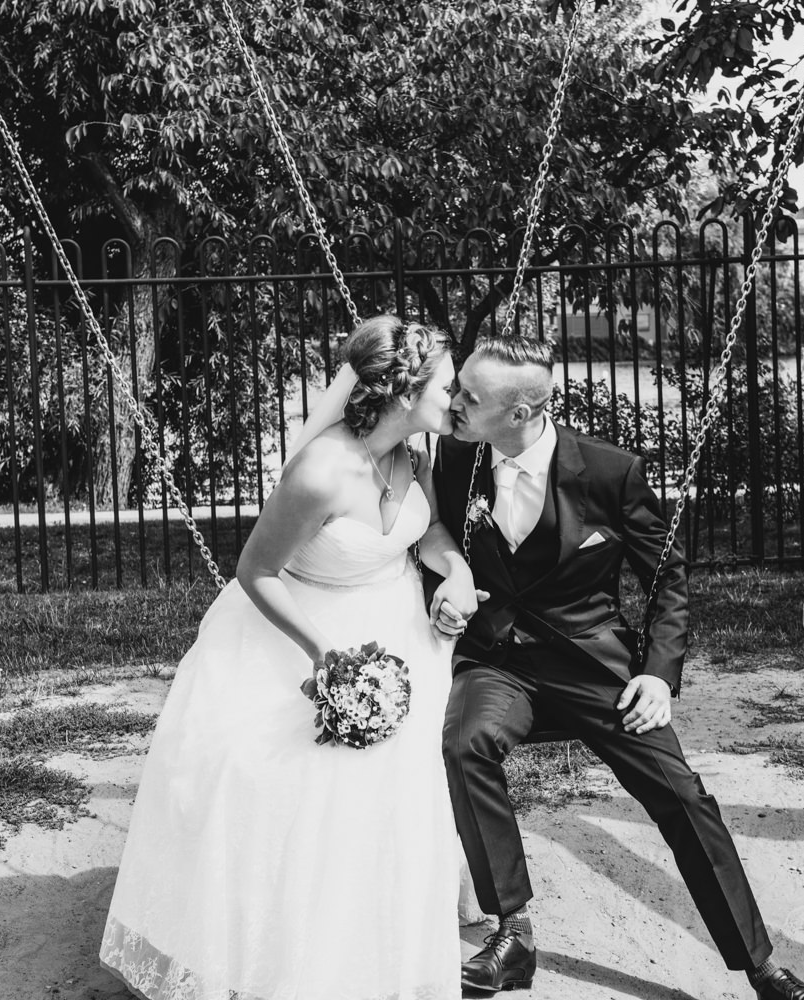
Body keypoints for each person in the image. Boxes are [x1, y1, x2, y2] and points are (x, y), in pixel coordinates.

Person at [431, 335, 804, 1000]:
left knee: (682, 795)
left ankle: (762, 969)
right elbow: (432, 535)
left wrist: (657, 672)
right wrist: (448, 584)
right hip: (498, 663)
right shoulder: (454, 456)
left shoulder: (608, 471)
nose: (453, 402)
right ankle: (514, 932)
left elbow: (665, 577)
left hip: (595, 666)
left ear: (520, 413)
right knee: (463, 743)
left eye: (468, 397)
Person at [100, 315, 479, 1000]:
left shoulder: (414, 453)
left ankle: (365, 958)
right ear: (404, 391)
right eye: (447, 386)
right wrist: (326, 655)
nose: (456, 397)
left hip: (396, 635)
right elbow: (256, 570)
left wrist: (453, 569)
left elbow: (426, 532)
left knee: (387, 804)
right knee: (285, 796)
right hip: (298, 635)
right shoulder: (321, 471)